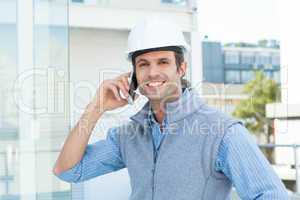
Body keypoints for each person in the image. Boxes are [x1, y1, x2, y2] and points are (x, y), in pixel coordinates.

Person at [53, 17, 289, 199]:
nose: (153, 72)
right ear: (133, 74)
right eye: (143, 64)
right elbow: (69, 171)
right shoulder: (128, 136)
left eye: (163, 62)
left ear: (181, 68)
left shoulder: (222, 132)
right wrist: (96, 108)